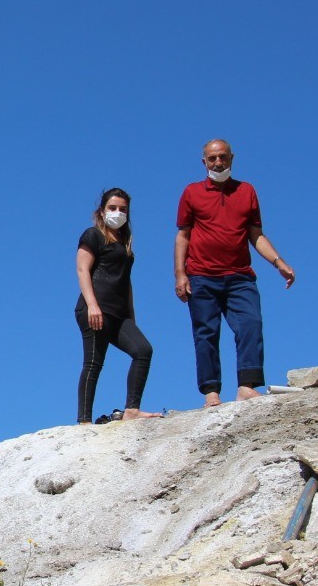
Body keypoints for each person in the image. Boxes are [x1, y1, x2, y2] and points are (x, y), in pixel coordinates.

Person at [173, 139, 296, 407]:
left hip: (240, 276)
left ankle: (247, 386)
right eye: (212, 158)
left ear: (232, 158)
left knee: (251, 324)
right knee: (206, 333)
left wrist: (279, 262)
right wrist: (180, 274)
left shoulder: (247, 191)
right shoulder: (192, 192)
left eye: (223, 157)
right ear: (204, 162)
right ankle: (211, 393)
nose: (218, 163)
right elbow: (183, 236)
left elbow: (256, 234)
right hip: (201, 275)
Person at [75, 187, 156, 423]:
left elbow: (125, 281)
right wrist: (92, 305)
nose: (117, 212)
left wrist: (131, 315)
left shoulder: (126, 244)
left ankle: (132, 409)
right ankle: (84, 421)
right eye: (112, 208)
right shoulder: (93, 235)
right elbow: (82, 270)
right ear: (102, 210)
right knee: (94, 362)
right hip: (95, 308)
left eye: (123, 209)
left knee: (143, 350)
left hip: (119, 313)